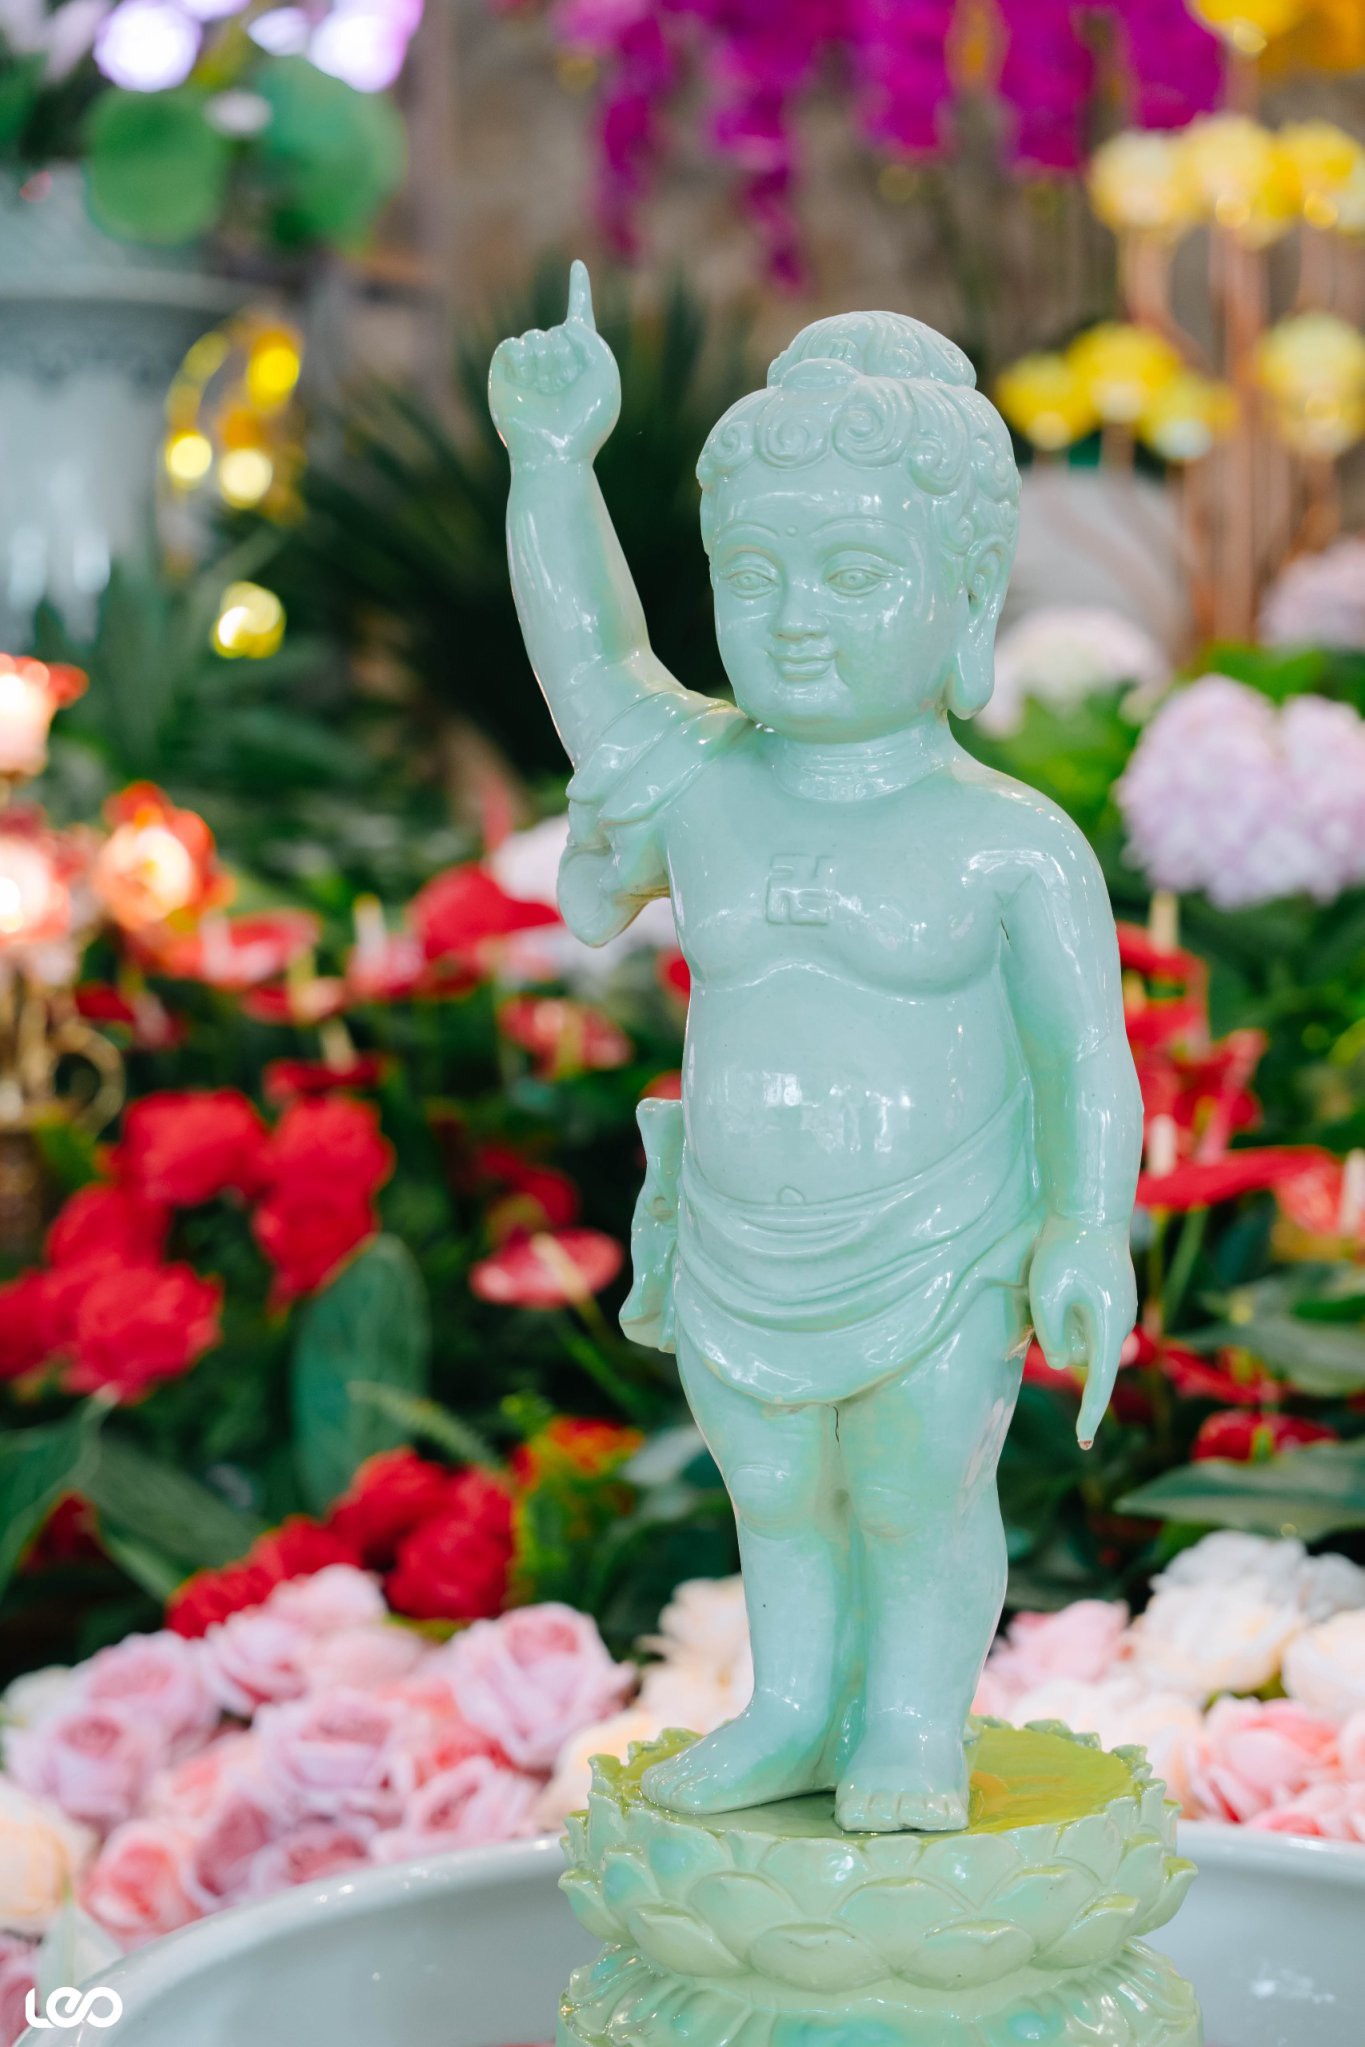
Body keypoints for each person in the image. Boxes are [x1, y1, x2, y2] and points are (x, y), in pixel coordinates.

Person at [489, 264, 1141, 1834]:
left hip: (939, 1229)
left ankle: (910, 1724)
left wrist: (1083, 1227)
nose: (794, 618)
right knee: (773, 1489)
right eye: (755, 573)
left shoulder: (1008, 842)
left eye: (853, 574)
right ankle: (789, 1708)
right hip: (739, 1236)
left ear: (966, 606)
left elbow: (1084, 1063)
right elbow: (590, 663)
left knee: (917, 1487)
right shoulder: (705, 781)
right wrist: (553, 465)